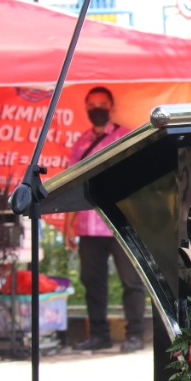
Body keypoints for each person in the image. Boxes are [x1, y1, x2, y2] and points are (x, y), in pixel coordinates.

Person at [67, 86, 148, 353]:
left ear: (111, 107)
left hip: (120, 224)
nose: (96, 109)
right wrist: (69, 225)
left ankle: (135, 335)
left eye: (101, 104)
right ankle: (99, 335)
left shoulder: (125, 137)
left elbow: (138, 180)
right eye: (91, 105)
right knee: (92, 282)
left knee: (132, 282)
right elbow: (71, 186)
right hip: (88, 226)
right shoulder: (80, 143)